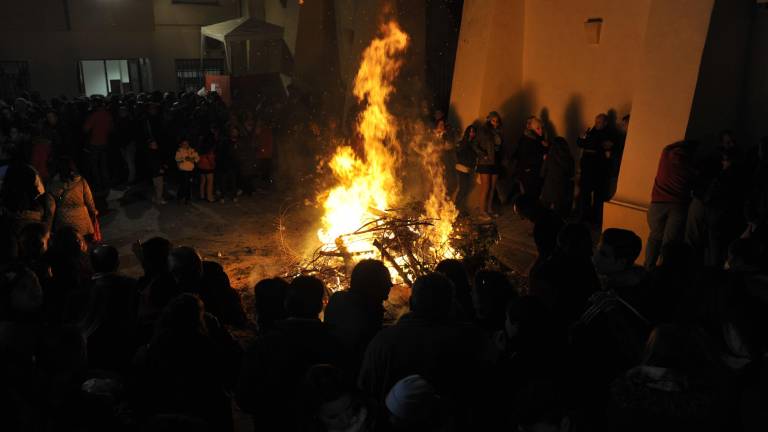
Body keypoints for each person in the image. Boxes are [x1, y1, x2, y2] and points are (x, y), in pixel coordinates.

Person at [358, 273, 493, 428]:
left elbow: (366, 392)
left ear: (411, 303)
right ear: (450, 304)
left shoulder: (383, 342)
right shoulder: (472, 340)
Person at [236, 276, 344, 431]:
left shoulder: (263, 345)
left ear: (286, 304)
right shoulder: (334, 343)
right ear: (321, 306)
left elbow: (244, 399)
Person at [134, 294, 238, 432]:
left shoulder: (152, 347)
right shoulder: (203, 347)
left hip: (166, 414)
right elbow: (230, 370)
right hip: (205, 414)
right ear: (197, 319)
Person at [80, 244, 138, 374]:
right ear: (117, 263)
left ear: (91, 265)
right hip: (125, 346)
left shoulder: (82, 290)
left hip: (94, 352)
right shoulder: (131, 285)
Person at [324, 259, 393, 369]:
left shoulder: (338, 300)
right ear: (372, 285)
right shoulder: (369, 311)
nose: (391, 284)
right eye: (386, 280)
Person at [645, 140, 698, 269]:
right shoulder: (690, 167)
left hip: (657, 203)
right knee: (669, 243)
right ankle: (663, 270)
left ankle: (648, 267)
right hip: (678, 205)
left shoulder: (666, 153)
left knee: (654, 238)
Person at [301, 365, 373, 432]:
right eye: (333, 417)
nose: (345, 420)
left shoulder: (370, 414)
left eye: (348, 408)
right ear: (316, 417)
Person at [47, 157, 99, 241]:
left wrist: (48, 228)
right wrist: (94, 211)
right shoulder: (81, 181)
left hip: (64, 224)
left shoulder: (52, 185)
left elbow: (50, 210)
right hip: (82, 223)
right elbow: (89, 200)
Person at [576, 113, 614, 226]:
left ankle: (596, 220)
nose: (596, 124)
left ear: (605, 123)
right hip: (587, 169)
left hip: (599, 170)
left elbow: (599, 144)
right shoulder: (592, 131)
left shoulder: (609, 133)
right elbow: (580, 142)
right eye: (595, 121)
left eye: (599, 122)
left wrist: (589, 143)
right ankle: (584, 217)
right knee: (585, 194)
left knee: (599, 196)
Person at [514, 116, 549, 201]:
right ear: (530, 128)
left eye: (541, 128)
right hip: (528, 172)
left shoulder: (539, 139)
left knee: (534, 194)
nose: (541, 130)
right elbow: (524, 157)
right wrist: (542, 157)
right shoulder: (526, 140)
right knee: (529, 195)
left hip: (536, 171)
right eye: (538, 128)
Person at [540, 136, 575, 218]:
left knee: (545, 211)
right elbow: (571, 174)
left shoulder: (549, 157)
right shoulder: (569, 158)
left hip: (549, 189)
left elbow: (542, 173)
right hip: (563, 189)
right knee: (560, 213)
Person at [475, 115, 498, 220]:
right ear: (489, 120)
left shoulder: (497, 132)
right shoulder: (483, 131)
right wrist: (483, 154)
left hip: (495, 162)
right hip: (485, 162)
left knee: (492, 187)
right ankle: (481, 212)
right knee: (486, 187)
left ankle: (489, 209)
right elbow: (475, 145)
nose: (495, 122)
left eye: (497, 121)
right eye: (493, 120)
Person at [452, 125, 479, 214]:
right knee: (463, 189)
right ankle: (455, 209)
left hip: (468, 169)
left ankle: (458, 208)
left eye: (473, 132)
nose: (472, 134)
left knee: (465, 188)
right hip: (462, 168)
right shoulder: (464, 142)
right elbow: (457, 152)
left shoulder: (472, 143)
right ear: (467, 132)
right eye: (471, 132)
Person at [174, 138, 199, 204]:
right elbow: (177, 159)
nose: (185, 145)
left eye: (186, 143)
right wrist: (184, 160)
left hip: (191, 170)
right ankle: (181, 197)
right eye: (184, 144)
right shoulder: (179, 150)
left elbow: (197, 158)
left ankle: (186, 198)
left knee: (188, 184)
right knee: (184, 184)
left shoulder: (192, 150)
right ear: (181, 144)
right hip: (183, 170)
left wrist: (191, 159)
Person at [147, 139, 167, 204]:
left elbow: (159, 161)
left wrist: (164, 165)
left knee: (157, 186)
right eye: (153, 144)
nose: (155, 145)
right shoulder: (151, 153)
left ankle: (155, 198)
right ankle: (159, 200)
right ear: (150, 146)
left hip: (156, 172)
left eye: (156, 144)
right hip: (156, 172)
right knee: (160, 186)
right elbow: (152, 164)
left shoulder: (156, 152)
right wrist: (159, 169)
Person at [197, 137, 216, 202]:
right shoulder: (210, 151)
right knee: (209, 183)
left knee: (202, 182)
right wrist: (213, 166)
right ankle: (209, 197)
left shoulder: (200, 150)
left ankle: (202, 196)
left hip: (201, 167)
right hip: (208, 168)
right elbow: (211, 160)